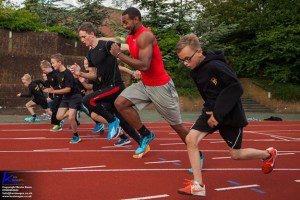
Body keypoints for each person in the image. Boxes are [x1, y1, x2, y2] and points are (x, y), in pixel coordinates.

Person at [175, 33, 278, 196]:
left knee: (236, 154)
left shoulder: (216, 66)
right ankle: (198, 185)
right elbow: (208, 92)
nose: (186, 63)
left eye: (188, 58)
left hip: (229, 115)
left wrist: (218, 112)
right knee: (190, 139)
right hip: (211, 112)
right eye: (182, 60)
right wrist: (210, 109)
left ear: (199, 51)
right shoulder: (194, 70)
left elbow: (236, 88)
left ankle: (268, 154)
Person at [110, 7, 200, 160]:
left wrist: (118, 54)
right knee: (120, 103)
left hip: (161, 86)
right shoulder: (130, 37)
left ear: (136, 19)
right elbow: (136, 57)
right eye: (122, 23)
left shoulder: (145, 36)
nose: (123, 25)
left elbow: (144, 65)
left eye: (125, 22)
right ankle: (146, 134)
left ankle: (198, 154)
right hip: (145, 84)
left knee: (176, 126)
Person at [72, 22, 142, 149]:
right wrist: (80, 73)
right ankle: (142, 142)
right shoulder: (90, 54)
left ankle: (112, 121)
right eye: (80, 37)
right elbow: (93, 75)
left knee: (87, 100)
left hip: (115, 86)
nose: (82, 40)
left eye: (83, 37)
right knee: (122, 120)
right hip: (105, 89)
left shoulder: (106, 44)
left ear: (91, 34)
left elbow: (129, 47)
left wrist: (140, 64)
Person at [48, 53, 82, 143]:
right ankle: (78, 108)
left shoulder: (67, 73)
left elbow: (67, 89)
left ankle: (76, 136)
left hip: (74, 96)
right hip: (66, 98)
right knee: (58, 117)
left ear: (59, 62)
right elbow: (49, 71)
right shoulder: (56, 72)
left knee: (71, 117)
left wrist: (54, 92)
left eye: (53, 63)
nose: (52, 65)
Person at [40, 60, 64, 131]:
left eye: (43, 69)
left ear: (47, 67)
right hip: (54, 94)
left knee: (54, 107)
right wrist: (44, 86)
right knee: (55, 108)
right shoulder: (48, 75)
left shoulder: (56, 73)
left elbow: (61, 84)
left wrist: (54, 89)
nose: (43, 71)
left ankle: (57, 124)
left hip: (61, 93)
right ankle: (58, 122)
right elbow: (48, 85)